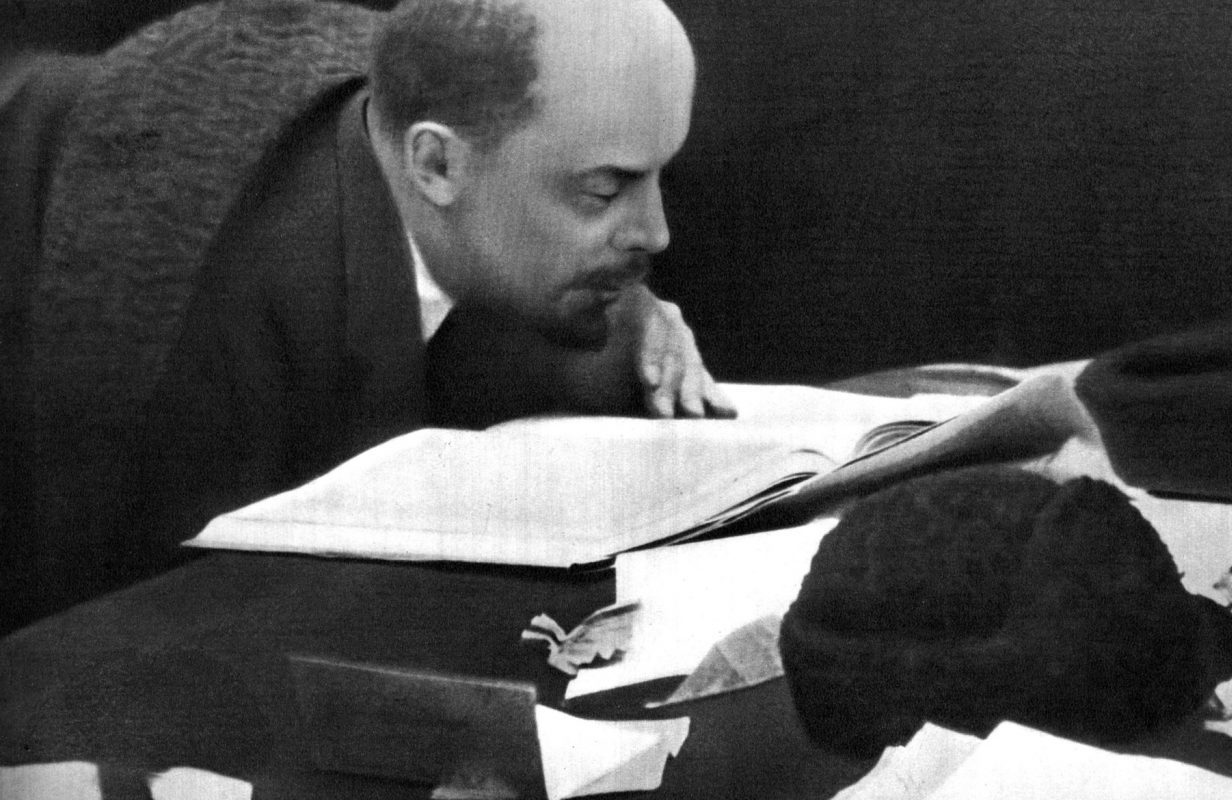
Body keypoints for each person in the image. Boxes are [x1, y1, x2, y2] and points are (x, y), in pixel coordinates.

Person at [3, 0, 734, 632]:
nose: (657, 232)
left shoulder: (450, 175)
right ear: (436, 165)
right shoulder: (229, 299)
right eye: (605, 191)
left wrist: (620, 320)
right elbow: (165, 641)